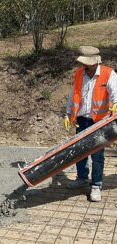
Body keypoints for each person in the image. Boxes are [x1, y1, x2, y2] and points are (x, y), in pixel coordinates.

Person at [64, 46, 117, 202]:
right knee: (80, 152)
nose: (84, 66)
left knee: (97, 155)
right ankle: (81, 178)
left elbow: (115, 92)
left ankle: (96, 185)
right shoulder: (79, 74)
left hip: (99, 122)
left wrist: (116, 103)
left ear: (94, 62)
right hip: (82, 119)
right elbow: (72, 94)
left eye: (86, 63)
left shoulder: (108, 74)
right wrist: (68, 114)